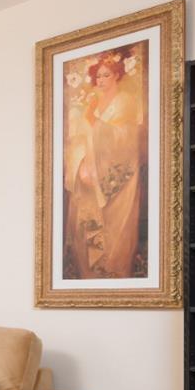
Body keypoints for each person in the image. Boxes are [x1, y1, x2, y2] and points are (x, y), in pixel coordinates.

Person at [63, 52, 146, 278]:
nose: (101, 81)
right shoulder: (91, 101)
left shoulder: (125, 101)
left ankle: (113, 276)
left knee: (115, 236)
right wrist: (81, 164)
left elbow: (126, 140)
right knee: (84, 229)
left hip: (117, 182)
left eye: (106, 75)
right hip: (88, 177)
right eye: (98, 76)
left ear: (117, 76)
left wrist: (96, 124)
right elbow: (78, 139)